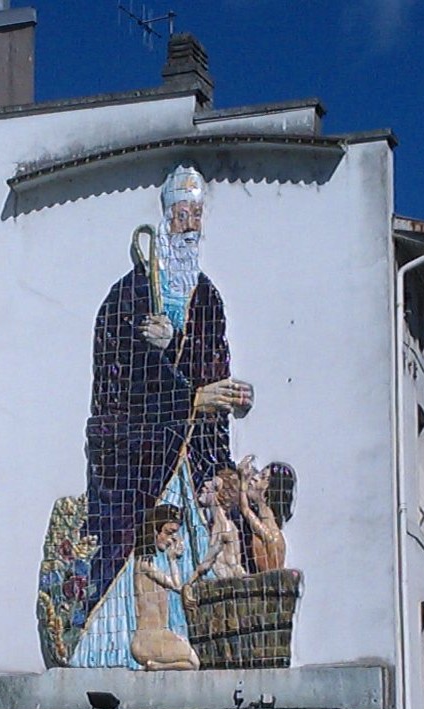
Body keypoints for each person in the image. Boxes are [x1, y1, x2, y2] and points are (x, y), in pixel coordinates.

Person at [84, 164, 254, 611]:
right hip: (137, 459)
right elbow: (121, 381)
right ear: (166, 219)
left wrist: (231, 400)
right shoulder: (129, 296)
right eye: (182, 215)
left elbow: (212, 371)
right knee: (137, 567)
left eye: (197, 216)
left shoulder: (208, 298)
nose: (190, 226)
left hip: (191, 455)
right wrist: (191, 397)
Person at [130, 505, 200, 671]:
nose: (171, 540)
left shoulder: (149, 564)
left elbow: (177, 586)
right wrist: (172, 560)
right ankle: (155, 666)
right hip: (148, 641)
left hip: (159, 636)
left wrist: (172, 559)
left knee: (193, 662)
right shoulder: (144, 564)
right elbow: (176, 585)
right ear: (155, 531)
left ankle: (156, 666)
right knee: (193, 662)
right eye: (169, 533)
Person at [237, 456, 297, 572]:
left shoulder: (268, 532)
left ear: (271, 490)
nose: (254, 479)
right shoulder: (265, 524)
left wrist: (243, 482)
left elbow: (245, 509)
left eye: (262, 477)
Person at [187, 469, 246, 583]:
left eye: (213, 485)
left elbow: (205, 564)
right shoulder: (215, 522)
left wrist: (187, 584)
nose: (206, 485)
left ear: (221, 495)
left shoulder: (224, 527)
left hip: (226, 583)